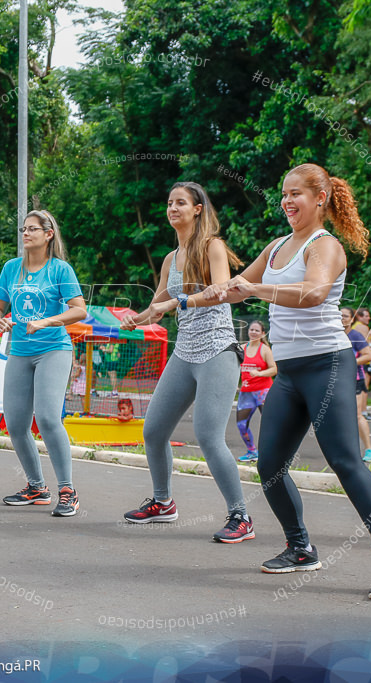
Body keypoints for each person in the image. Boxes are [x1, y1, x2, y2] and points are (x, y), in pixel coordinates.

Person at [209, 163, 371, 599]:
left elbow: (313, 293)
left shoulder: (326, 246)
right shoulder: (279, 245)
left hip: (328, 365)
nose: (287, 201)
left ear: (320, 198)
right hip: (290, 371)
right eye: (284, 194)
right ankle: (300, 547)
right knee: (269, 465)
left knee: (345, 461)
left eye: (296, 194)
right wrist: (197, 293)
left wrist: (253, 289)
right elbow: (236, 285)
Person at [119, 181, 253, 544]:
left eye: (180, 202)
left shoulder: (212, 247)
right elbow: (157, 309)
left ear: (197, 209)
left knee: (208, 436)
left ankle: (240, 515)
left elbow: (223, 291)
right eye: (168, 202)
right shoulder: (169, 258)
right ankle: (163, 503)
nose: (172, 208)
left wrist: (175, 304)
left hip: (217, 351)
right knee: (153, 431)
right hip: (185, 352)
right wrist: (138, 318)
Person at [0, 210, 87, 517]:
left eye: (32, 229)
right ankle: (36, 487)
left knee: (47, 418)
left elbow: (79, 311)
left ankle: (67, 490)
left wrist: (46, 322)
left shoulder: (60, 269)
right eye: (23, 229)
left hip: (54, 349)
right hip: (20, 351)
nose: (25, 234)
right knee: (16, 423)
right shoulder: (11, 268)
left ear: (48, 234)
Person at [236, 320, 276, 462]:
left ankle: (272, 455)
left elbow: (274, 369)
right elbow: (235, 368)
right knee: (241, 424)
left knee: (269, 424)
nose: (253, 332)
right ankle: (252, 452)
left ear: (262, 333)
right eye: (251, 329)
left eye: (257, 330)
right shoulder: (242, 348)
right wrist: (235, 383)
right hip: (246, 393)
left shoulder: (264, 349)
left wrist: (259, 373)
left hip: (263, 392)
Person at [342, 307, 371, 461]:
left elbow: (369, 355)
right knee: (338, 416)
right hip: (335, 381)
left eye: (345, 316)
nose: (342, 318)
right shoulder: (332, 335)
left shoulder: (355, 336)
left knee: (357, 415)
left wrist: (350, 363)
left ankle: (369, 450)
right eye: (339, 316)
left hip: (355, 380)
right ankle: (345, 451)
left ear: (351, 319)